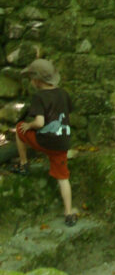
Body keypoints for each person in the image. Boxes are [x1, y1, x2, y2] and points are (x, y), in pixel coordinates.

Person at [12, 58, 77, 227]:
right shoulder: (63, 94)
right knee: (63, 178)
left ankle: (23, 163)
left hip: (45, 142)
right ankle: (69, 214)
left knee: (19, 129)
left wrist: (29, 125)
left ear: (37, 80)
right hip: (62, 144)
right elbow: (67, 117)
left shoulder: (39, 97)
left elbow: (40, 123)